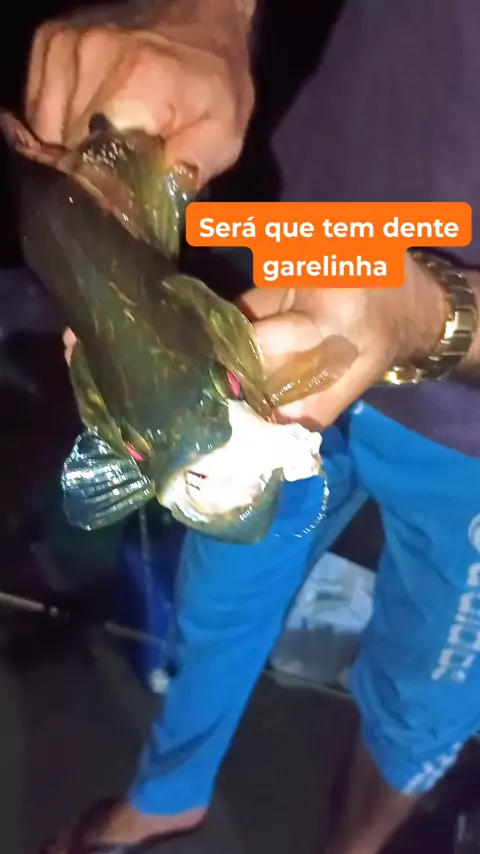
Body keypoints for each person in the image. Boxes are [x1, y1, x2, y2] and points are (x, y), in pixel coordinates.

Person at [25, 1, 480, 853]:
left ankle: (357, 844)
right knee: (219, 598)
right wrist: (213, 15)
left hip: (466, 437)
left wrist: (430, 316)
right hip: (294, 245)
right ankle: (170, 792)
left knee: (429, 684)